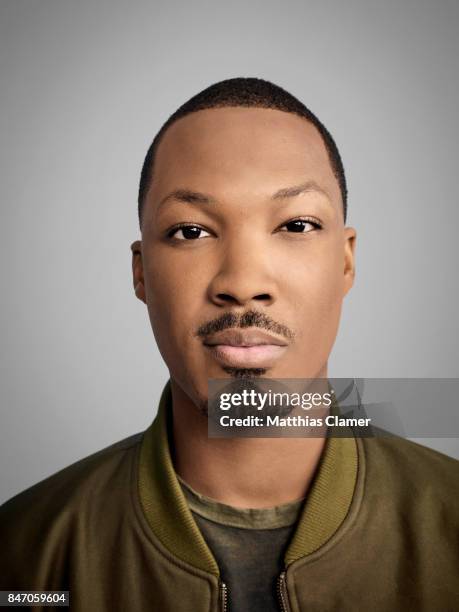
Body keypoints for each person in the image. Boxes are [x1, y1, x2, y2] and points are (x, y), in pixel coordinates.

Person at [1, 78, 458, 612]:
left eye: (296, 224)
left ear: (346, 262)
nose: (242, 282)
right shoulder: (23, 555)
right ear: (141, 272)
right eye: (191, 232)